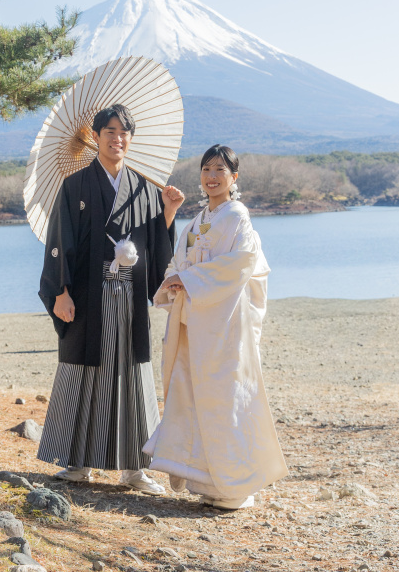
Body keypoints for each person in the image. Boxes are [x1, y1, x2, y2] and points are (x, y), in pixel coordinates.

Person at [37, 103, 185, 495]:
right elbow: (59, 242)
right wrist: (60, 291)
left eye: (124, 133)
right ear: (96, 137)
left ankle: (135, 468)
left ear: (130, 140)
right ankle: (78, 462)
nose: (117, 138)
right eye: (110, 131)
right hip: (86, 292)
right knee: (84, 370)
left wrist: (168, 213)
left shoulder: (145, 188)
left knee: (131, 373)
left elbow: (156, 244)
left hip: (129, 294)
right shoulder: (75, 185)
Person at [144, 144, 287, 509]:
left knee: (225, 395)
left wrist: (190, 280)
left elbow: (240, 263)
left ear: (233, 177)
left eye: (220, 170)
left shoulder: (237, 215)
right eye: (206, 169)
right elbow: (179, 261)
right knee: (194, 394)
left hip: (225, 324)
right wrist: (176, 279)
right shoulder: (196, 219)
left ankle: (236, 484)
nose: (211, 176)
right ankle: (207, 480)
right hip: (196, 319)